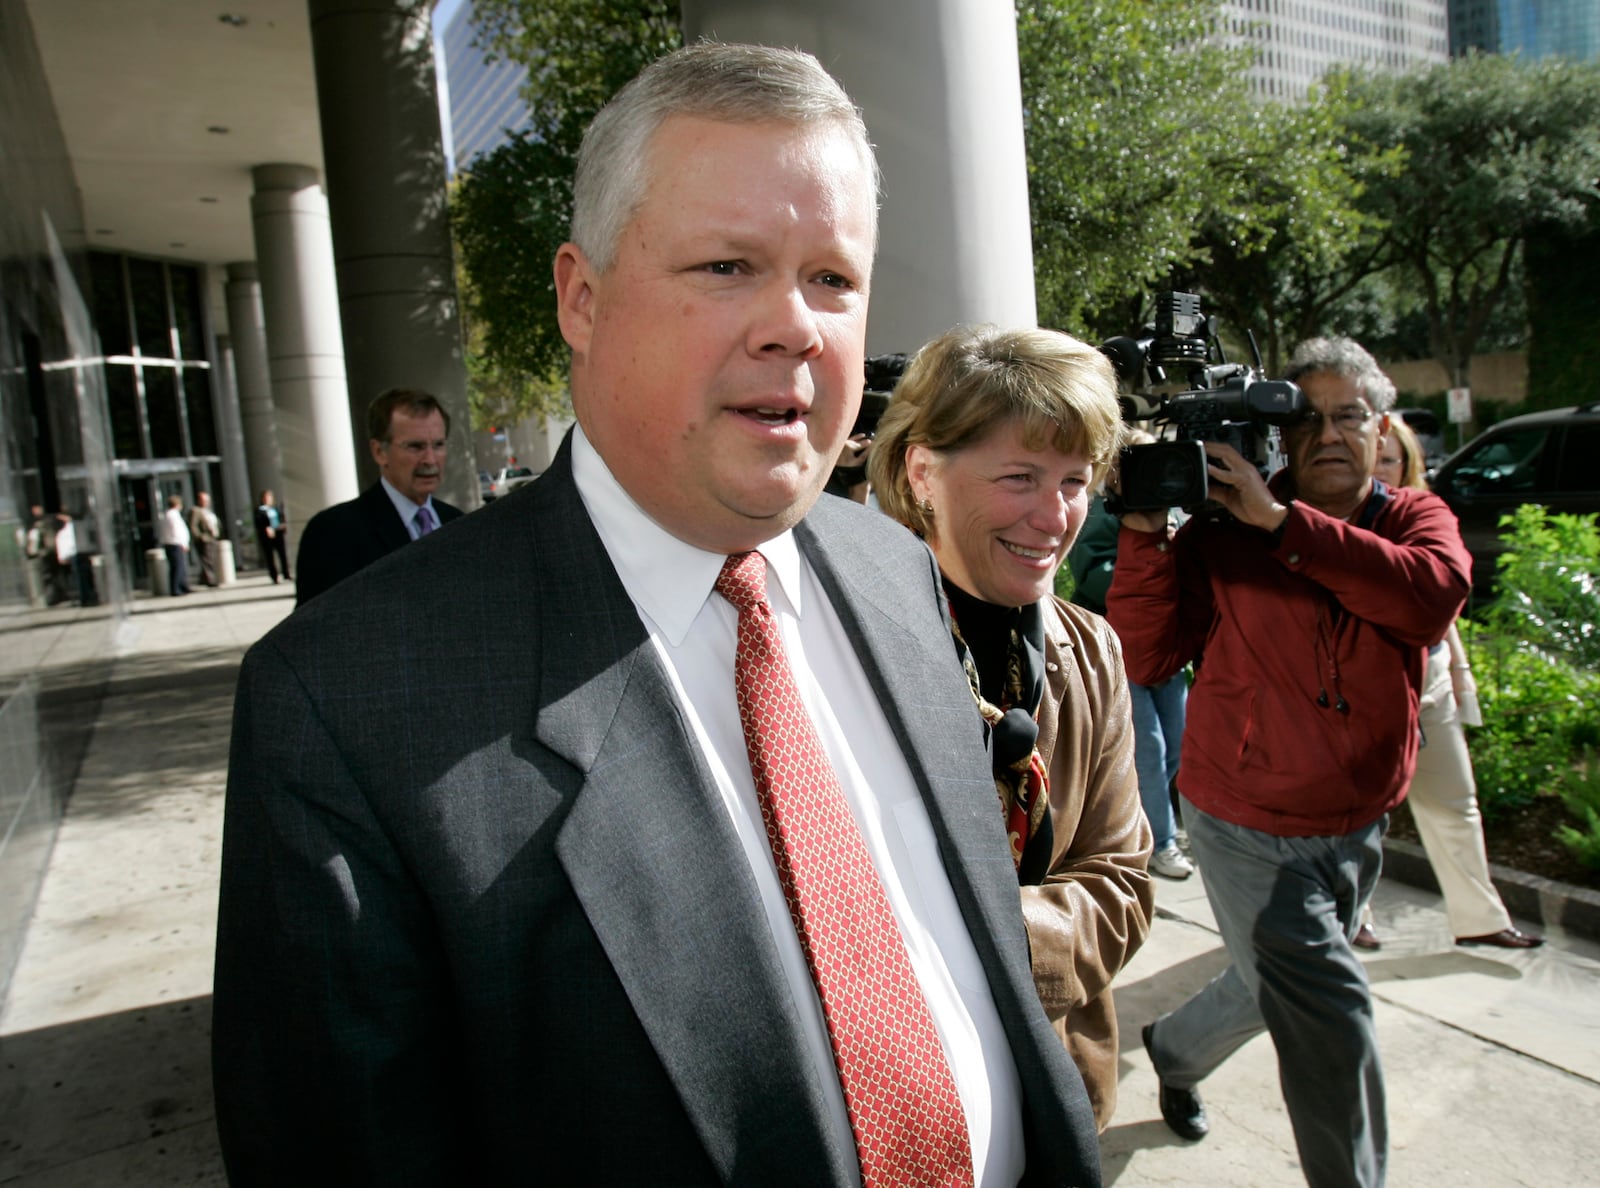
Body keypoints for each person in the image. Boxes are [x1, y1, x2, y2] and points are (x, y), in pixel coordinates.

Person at [213, 43, 1102, 1186]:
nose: (794, 325)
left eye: (832, 278)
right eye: (728, 265)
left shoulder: (893, 567)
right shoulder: (342, 700)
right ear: (581, 299)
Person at [1110, 336, 1471, 1187]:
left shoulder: (1417, 519)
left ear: (1382, 429)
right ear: (1279, 430)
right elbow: (1147, 655)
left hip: (1358, 820)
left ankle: (1174, 1047)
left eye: (1350, 416)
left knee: (1274, 983)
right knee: (1332, 1012)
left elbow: (1427, 600)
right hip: (1245, 822)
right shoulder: (1221, 530)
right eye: (1306, 418)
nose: (1330, 435)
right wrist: (1145, 535)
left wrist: (1284, 528)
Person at [869, 323, 1154, 1130]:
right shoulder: (838, 644)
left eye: (1075, 480)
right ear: (922, 472)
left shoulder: (1091, 650)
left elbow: (1123, 881)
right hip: (897, 1093)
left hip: (1053, 1082)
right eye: (1021, 476)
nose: (1054, 516)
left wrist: (983, 943)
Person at [1352, 417, 1542, 951]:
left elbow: (1443, 613)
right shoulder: (1333, 524)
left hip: (1429, 684)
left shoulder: (1421, 520)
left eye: (1390, 459)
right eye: (1373, 457)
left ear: (1407, 464)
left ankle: (1480, 917)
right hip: (1365, 693)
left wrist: (1460, 674)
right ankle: (1354, 914)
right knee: (1360, 814)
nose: (1378, 468)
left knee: (1456, 803)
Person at [1068, 434, 1195, 881]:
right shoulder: (1101, 512)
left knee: (1179, 744)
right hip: (1120, 647)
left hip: (1165, 648)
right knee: (1149, 751)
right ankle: (1160, 843)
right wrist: (1144, 561)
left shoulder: (1173, 508)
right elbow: (1093, 575)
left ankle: (1156, 827)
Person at [293, 389, 464, 607]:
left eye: (438, 445)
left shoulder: (458, 522)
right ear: (379, 452)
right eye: (415, 446)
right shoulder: (332, 533)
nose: (430, 459)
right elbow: (314, 631)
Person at [155, 494, 192, 595]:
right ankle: (176, 589)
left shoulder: (169, 514)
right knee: (177, 567)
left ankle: (182, 586)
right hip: (174, 543)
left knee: (179, 566)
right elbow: (176, 531)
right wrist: (183, 543)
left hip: (173, 543)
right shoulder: (172, 515)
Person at [253, 489, 289, 585]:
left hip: (278, 533)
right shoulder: (259, 510)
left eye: (269, 497)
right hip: (267, 536)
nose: (267, 499)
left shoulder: (275, 508)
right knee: (270, 557)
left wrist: (283, 526)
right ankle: (274, 576)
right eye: (266, 497)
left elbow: (281, 518)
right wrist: (266, 528)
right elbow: (258, 523)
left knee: (282, 554)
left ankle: (286, 574)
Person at [189, 490, 222, 586]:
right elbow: (193, 525)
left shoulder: (208, 511)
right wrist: (200, 536)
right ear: (199, 500)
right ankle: (210, 580)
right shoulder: (196, 511)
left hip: (212, 538)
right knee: (207, 561)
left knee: (209, 559)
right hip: (204, 539)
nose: (206, 502)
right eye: (204, 500)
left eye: (207, 500)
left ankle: (203, 579)